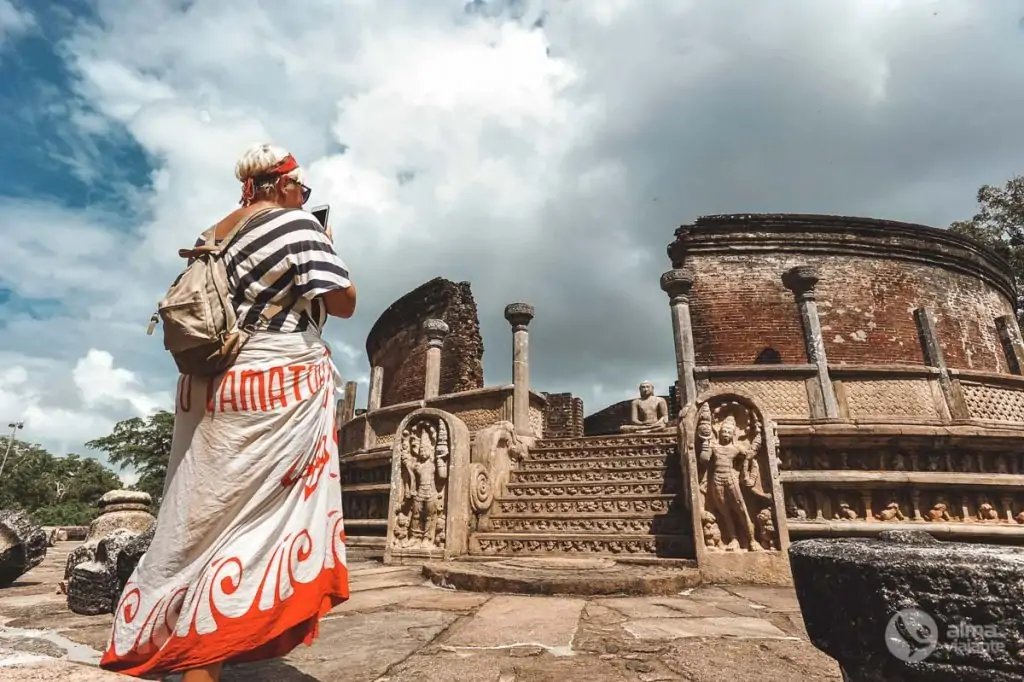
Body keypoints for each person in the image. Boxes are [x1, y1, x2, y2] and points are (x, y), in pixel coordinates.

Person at [100, 143, 357, 681]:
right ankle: (202, 661)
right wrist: (323, 242)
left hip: (204, 383)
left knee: (199, 516)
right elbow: (343, 301)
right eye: (301, 191)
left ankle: (154, 628)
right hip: (274, 380)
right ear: (285, 185)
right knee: (254, 521)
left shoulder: (212, 234)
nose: (303, 199)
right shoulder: (297, 225)